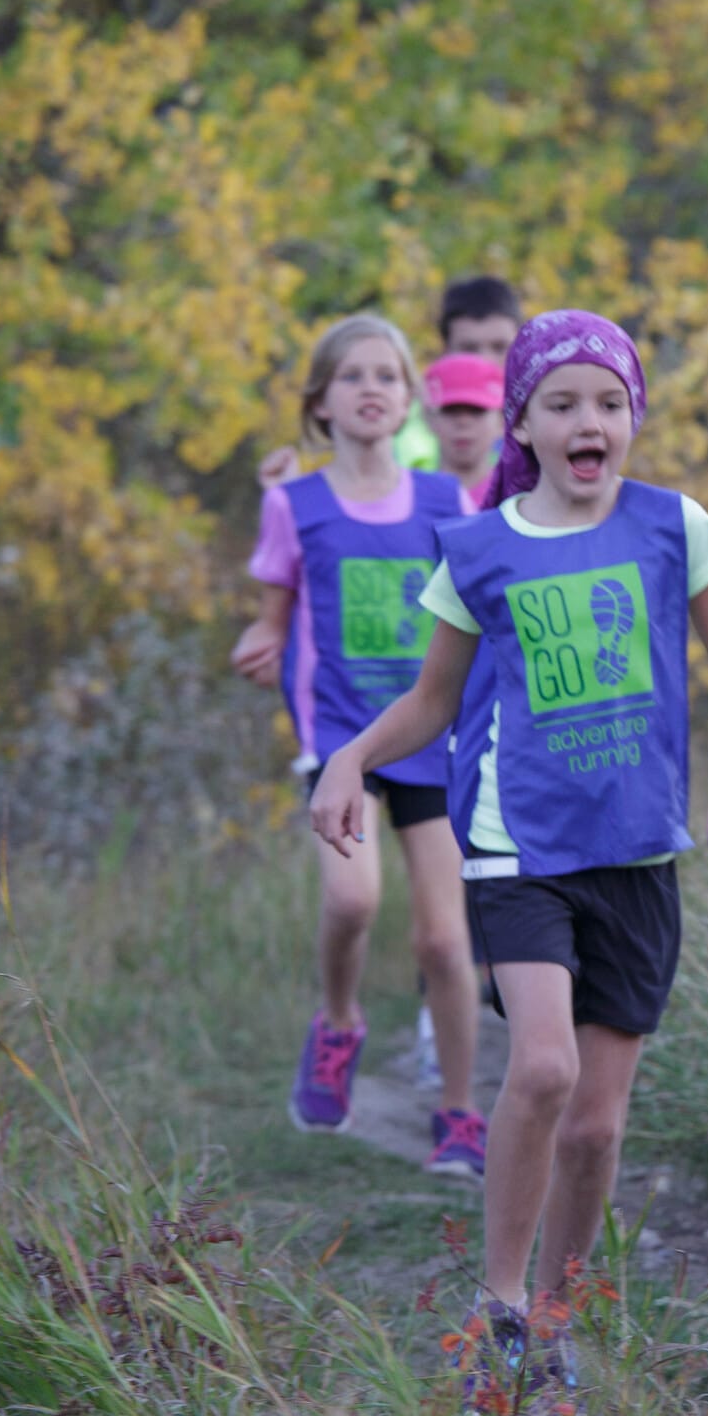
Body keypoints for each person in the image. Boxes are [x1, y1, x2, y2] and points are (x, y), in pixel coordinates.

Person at [309, 311, 708, 1405]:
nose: (587, 421)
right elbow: (433, 702)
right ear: (521, 422)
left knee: (599, 1124)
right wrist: (350, 758)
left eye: (608, 402)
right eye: (561, 403)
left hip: (637, 853)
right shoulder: (479, 550)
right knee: (547, 1069)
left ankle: (556, 1322)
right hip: (516, 846)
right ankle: (502, 1303)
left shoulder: (673, 526)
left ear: (633, 418)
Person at [228, 315, 486, 1176]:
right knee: (352, 900)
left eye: (387, 376)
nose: (371, 389)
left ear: (409, 401)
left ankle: (459, 1112)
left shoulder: (449, 503)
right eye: (352, 377)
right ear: (321, 404)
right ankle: (338, 1024)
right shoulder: (293, 506)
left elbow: (483, 612)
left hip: (432, 739)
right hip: (340, 741)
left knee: (445, 941)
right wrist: (258, 644)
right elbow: (271, 622)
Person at [258, 277, 524, 486]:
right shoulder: (398, 420)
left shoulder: (541, 416)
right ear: (445, 349)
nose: (486, 362)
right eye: (468, 349)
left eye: (500, 347)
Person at [423, 352, 507, 507]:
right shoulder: (409, 497)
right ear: (427, 418)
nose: (463, 422)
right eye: (450, 410)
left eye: (477, 411)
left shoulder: (515, 498)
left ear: (502, 419)